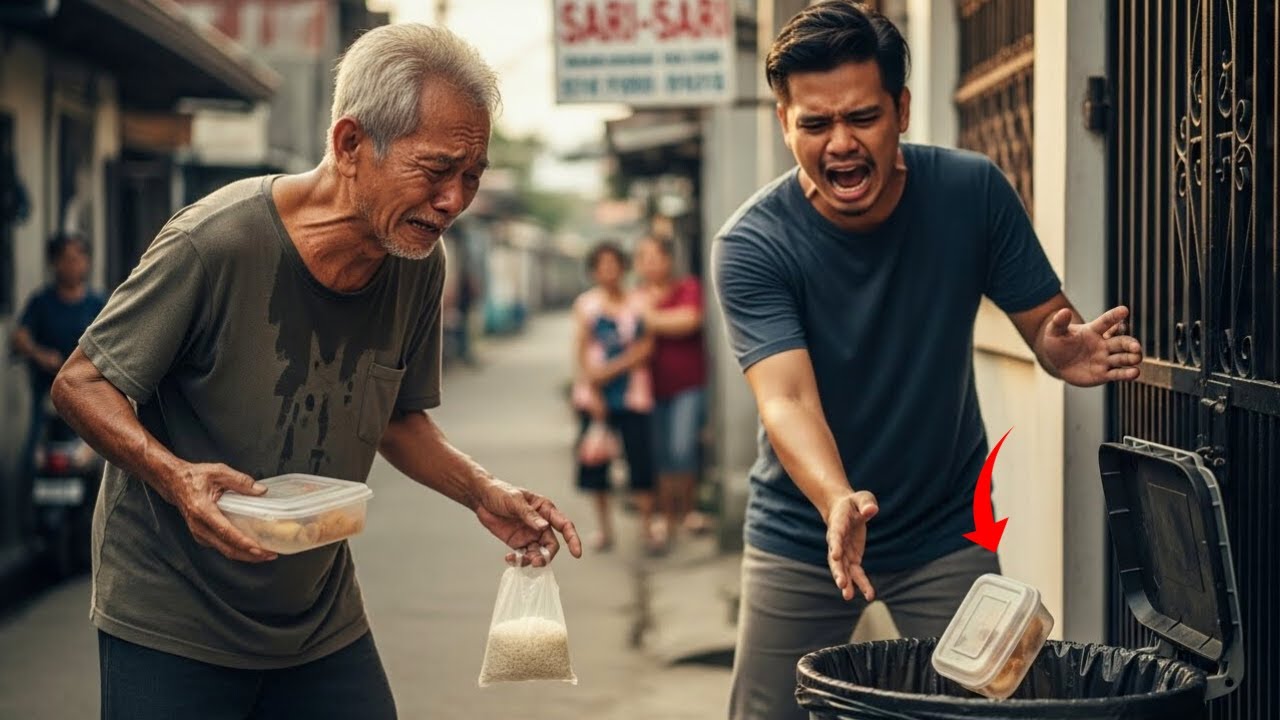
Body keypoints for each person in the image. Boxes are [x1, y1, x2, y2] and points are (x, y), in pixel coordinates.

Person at [50, 24, 581, 719]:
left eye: (471, 178)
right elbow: (81, 382)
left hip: (319, 618)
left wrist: (483, 491)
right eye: (436, 169)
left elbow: (395, 417)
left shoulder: (418, 263)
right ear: (351, 144)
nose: (454, 200)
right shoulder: (216, 242)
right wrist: (178, 479)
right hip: (173, 615)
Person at [710, 3, 1145, 718]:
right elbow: (785, 399)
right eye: (815, 124)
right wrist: (837, 502)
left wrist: (1060, 346)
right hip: (803, 532)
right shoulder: (753, 245)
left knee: (992, 707)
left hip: (944, 531)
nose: (841, 144)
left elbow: (1046, 321)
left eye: (862, 117)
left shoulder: (970, 194)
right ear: (784, 123)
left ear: (902, 109)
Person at [11, 231, 105, 530]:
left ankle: (97, 522)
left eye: (78, 258)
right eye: (66, 259)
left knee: (103, 456)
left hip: (89, 399)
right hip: (48, 401)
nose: (72, 264)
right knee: (32, 458)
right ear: (54, 263)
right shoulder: (41, 302)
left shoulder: (97, 303)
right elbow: (20, 337)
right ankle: (29, 528)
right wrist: (40, 355)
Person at [570, 241, 660, 553]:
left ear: (623, 267)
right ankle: (604, 529)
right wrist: (591, 388)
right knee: (596, 465)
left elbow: (647, 346)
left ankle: (647, 529)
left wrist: (610, 369)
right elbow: (581, 349)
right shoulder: (586, 304)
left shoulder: (641, 301)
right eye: (601, 265)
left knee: (641, 461)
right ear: (593, 271)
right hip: (594, 396)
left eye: (613, 264)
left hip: (634, 394)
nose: (608, 270)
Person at [635, 236, 710, 545]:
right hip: (648, 388)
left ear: (668, 260)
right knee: (662, 455)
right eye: (644, 257)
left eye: (656, 256)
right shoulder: (636, 295)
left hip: (688, 383)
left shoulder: (688, 287)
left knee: (682, 448)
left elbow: (690, 322)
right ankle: (667, 517)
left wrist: (648, 318)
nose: (650, 263)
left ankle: (688, 510)